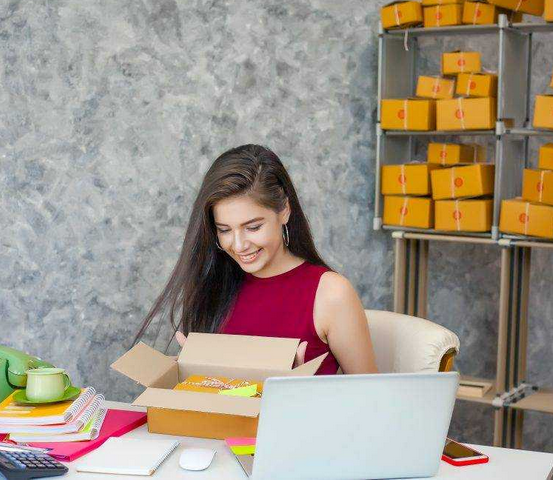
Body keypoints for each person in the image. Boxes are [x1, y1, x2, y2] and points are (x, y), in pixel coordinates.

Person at [133, 144, 377, 374]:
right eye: (225, 230)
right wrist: (194, 374)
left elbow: (371, 400)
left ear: (284, 210)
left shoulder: (332, 293)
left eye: (253, 227)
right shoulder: (215, 286)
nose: (238, 245)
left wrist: (299, 389)